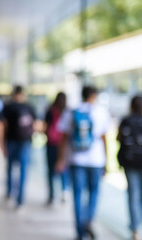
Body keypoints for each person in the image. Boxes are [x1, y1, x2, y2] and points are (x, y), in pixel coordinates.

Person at [56, 86, 111, 240]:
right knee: (94, 192)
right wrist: (106, 160)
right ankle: (89, 220)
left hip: (76, 159)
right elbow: (104, 137)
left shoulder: (71, 112)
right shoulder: (101, 112)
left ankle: (80, 231)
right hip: (96, 159)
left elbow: (64, 137)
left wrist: (61, 159)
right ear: (94, 96)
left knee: (78, 194)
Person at [2, 85, 36, 208]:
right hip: (25, 141)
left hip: (11, 140)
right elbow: (36, 125)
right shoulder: (29, 107)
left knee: (10, 168)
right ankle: (20, 198)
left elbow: (3, 126)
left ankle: (10, 192)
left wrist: (2, 144)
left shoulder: (8, 107)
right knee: (23, 169)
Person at [117, 95, 142, 240]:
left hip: (130, 162)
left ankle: (134, 228)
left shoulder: (126, 120)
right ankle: (136, 224)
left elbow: (119, 138)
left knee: (133, 195)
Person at [44, 92, 70, 205]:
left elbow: (46, 126)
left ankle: (51, 195)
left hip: (51, 144)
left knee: (50, 170)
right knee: (63, 169)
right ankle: (64, 191)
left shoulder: (50, 110)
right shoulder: (67, 111)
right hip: (63, 145)